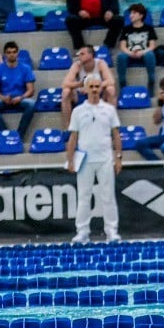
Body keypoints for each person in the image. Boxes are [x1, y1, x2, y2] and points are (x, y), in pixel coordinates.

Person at [66, 75, 123, 244]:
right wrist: (70, 160)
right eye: (91, 87)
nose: (94, 90)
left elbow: (116, 135)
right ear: (84, 89)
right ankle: (82, 231)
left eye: (97, 86)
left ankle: (111, 231)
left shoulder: (109, 110)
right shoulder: (78, 111)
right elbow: (73, 137)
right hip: (84, 160)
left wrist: (118, 157)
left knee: (108, 196)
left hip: (105, 158)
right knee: (84, 196)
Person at [0, 41, 36, 139]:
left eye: (14, 52)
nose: (11, 54)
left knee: (31, 104)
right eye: (8, 52)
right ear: (4, 54)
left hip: (20, 98)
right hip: (4, 99)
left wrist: (21, 97)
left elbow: (31, 90)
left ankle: (19, 136)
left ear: (17, 53)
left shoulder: (26, 68)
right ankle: (6, 134)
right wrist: (3, 98)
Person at [60, 44, 116, 129]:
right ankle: (69, 127)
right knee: (66, 92)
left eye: (82, 54)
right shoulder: (77, 65)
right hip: (81, 93)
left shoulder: (100, 63)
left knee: (110, 89)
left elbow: (111, 80)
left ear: (90, 55)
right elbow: (65, 84)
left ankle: (112, 126)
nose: (79, 56)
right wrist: (79, 84)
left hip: (98, 93)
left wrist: (93, 87)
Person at [116, 3, 158, 91]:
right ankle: (123, 84)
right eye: (130, 13)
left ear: (141, 15)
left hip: (144, 53)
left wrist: (142, 52)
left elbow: (152, 46)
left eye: (134, 13)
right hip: (130, 53)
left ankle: (151, 81)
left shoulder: (149, 28)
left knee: (150, 54)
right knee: (121, 56)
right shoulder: (126, 29)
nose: (131, 15)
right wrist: (130, 53)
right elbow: (122, 47)